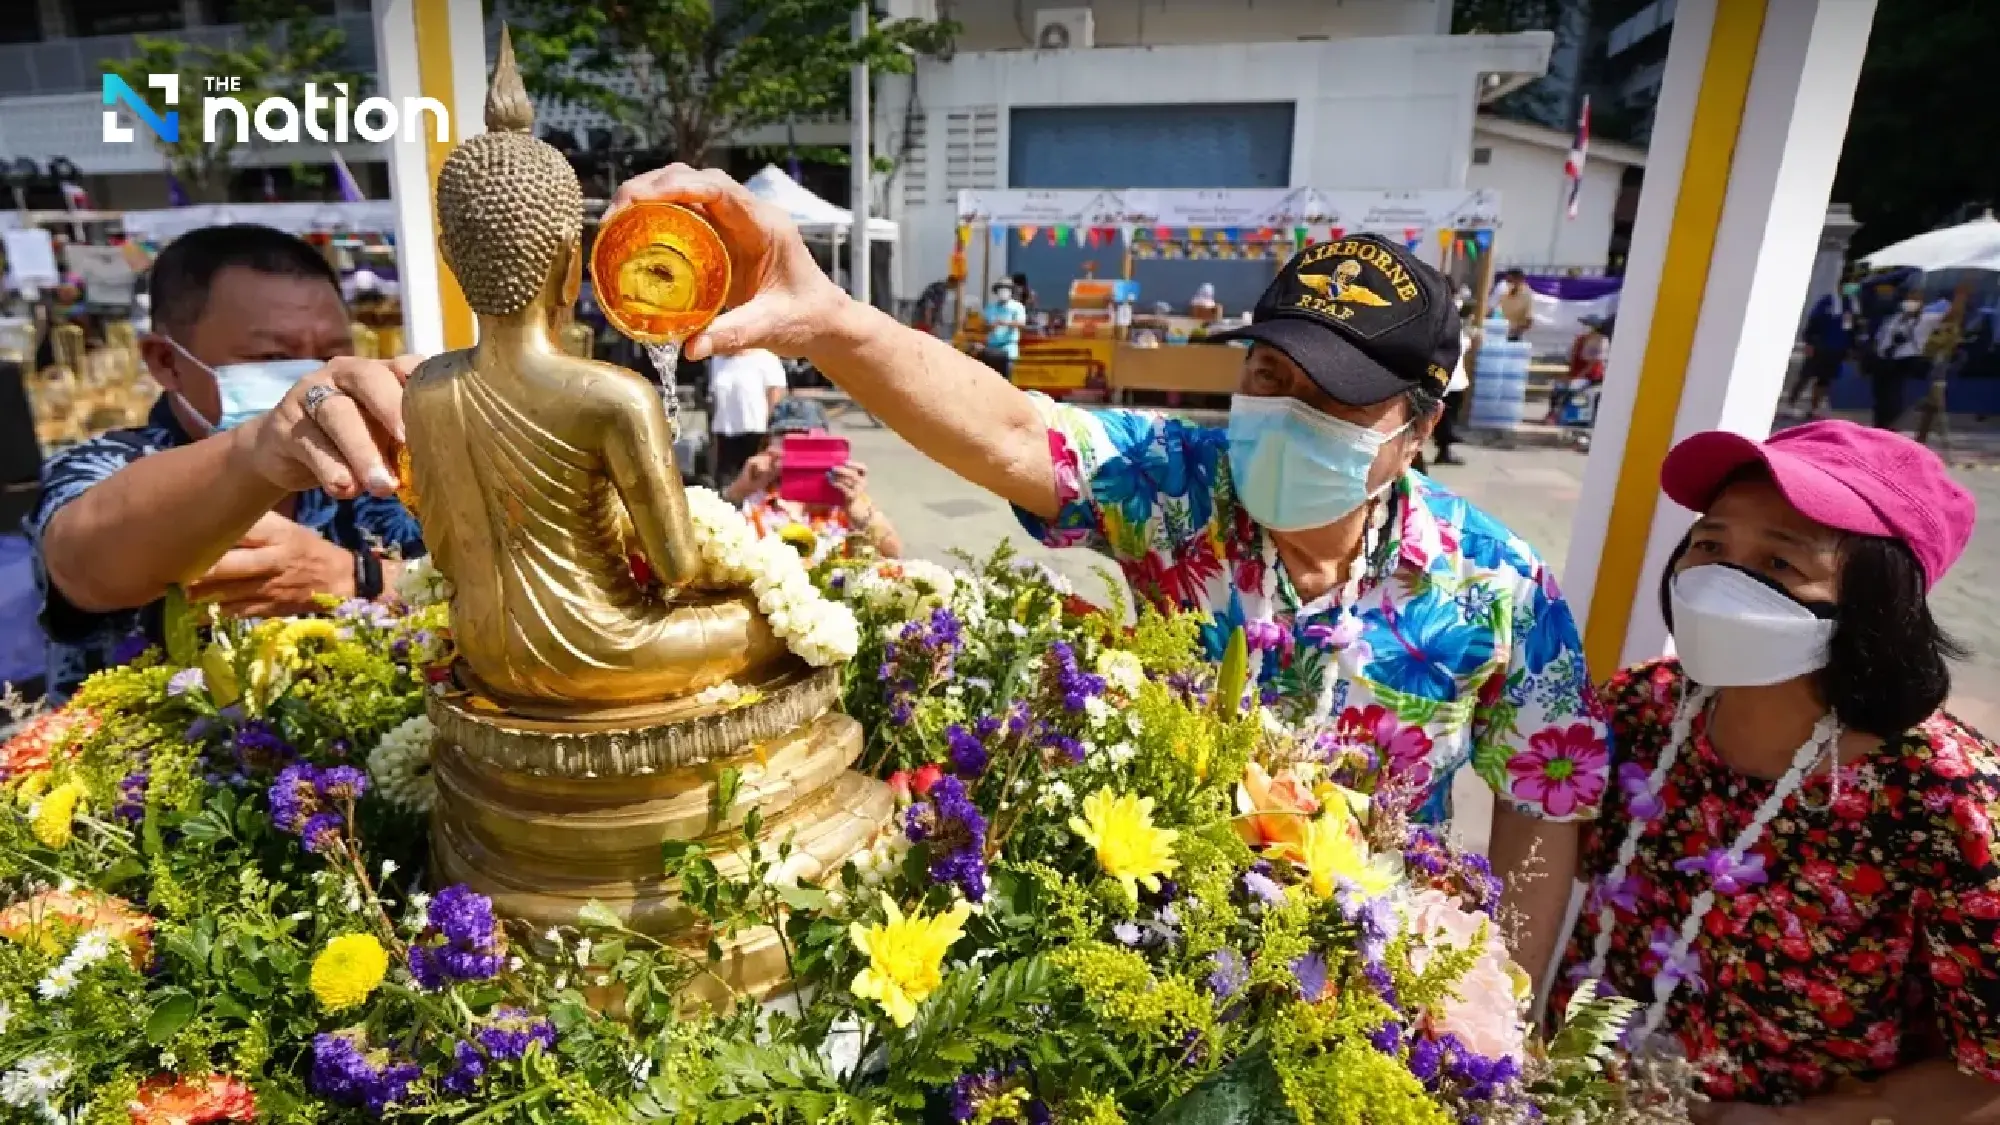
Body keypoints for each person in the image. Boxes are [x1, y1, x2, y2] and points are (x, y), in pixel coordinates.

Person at [607, 166, 1612, 987]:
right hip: (1156, 962)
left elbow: (1542, 813)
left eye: (1334, 400)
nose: (1282, 412)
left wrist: (1499, 1002)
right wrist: (827, 320)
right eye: (1269, 377)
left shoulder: (1502, 591)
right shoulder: (1171, 485)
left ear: (1418, 424)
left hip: (1370, 987)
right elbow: (1008, 426)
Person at [1555, 421, 1999, 1121]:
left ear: (1876, 601)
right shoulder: (1642, 708)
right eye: (1710, 545)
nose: (1720, 581)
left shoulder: (1943, 795)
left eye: (1778, 564)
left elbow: (1989, 1068)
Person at [27, 224, 421, 703]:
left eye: (331, 354)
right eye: (272, 356)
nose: (312, 379)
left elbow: (478, 595)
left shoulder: (381, 478)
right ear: (166, 362)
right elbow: (82, 562)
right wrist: (257, 448)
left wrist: (356, 577)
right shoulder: (102, 465)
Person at [721, 397, 902, 562]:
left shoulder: (843, 494)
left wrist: (856, 507)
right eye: (786, 439)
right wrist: (738, 491)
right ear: (766, 446)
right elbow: (707, 544)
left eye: (807, 439)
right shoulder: (753, 495)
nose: (796, 451)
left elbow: (893, 551)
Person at [707, 347, 790, 487]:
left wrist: (770, 427)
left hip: (757, 431)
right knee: (724, 483)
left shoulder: (765, 357)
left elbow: (776, 392)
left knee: (755, 481)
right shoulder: (717, 360)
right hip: (725, 432)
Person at [1784, 284, 1861, 419]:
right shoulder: (1827, 301)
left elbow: (1852, 329)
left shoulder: (1852, 304)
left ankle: (1814, 408)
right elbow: (1813, 322)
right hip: (1820, 346)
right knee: (1805, 376)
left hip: (1837, 349)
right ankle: (1790, 404)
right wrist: (1809, 342)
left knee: (1825, 380)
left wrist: (1851, 348)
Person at [1869, 288, 1931, 430]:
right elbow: (1881, 336)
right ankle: (1879, 425)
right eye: (1909, 298)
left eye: (1915, 299)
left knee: (1894, 396)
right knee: (1880, 396)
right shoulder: (1893, 318)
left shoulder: (1925, 319)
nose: (1911, 302)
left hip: (1904, 360)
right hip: (1884, 359)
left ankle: (1892, 427)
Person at [1546, 316, 1609, 425]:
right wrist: (1568, 375)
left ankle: (1563, 415)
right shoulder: (1580, 339)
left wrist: (1577, 377)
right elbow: (1571, 360)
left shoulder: (1601, 341)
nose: (1583, 327)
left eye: (1586, 325)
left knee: (1573, 387)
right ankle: (1553, 413)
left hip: (1591, 376)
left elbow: (1593, 363)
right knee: (1558, 386)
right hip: (1577, 373)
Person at [980, 280, 1027, 381]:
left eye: (1006, 289)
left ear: (1011, 291)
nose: (1003, 292)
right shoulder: (990, 308)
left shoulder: (1017, 307)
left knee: (1007, 380)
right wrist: (990, 326)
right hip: (991, 349)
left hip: (1008, 349)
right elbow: (983, 327)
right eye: (1001, 289)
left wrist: (1007, 322)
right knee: (990, 380)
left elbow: (1021, 324)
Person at [1498, 269, 1536, 341]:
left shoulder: (1526, 296)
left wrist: (1513, 332)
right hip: (1501, 332)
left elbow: (1529, 321)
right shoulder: (1505, 293)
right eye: (1507, 281)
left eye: (1510, 281)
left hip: (1515, 336)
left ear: (1519, 280)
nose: (1508, 283)